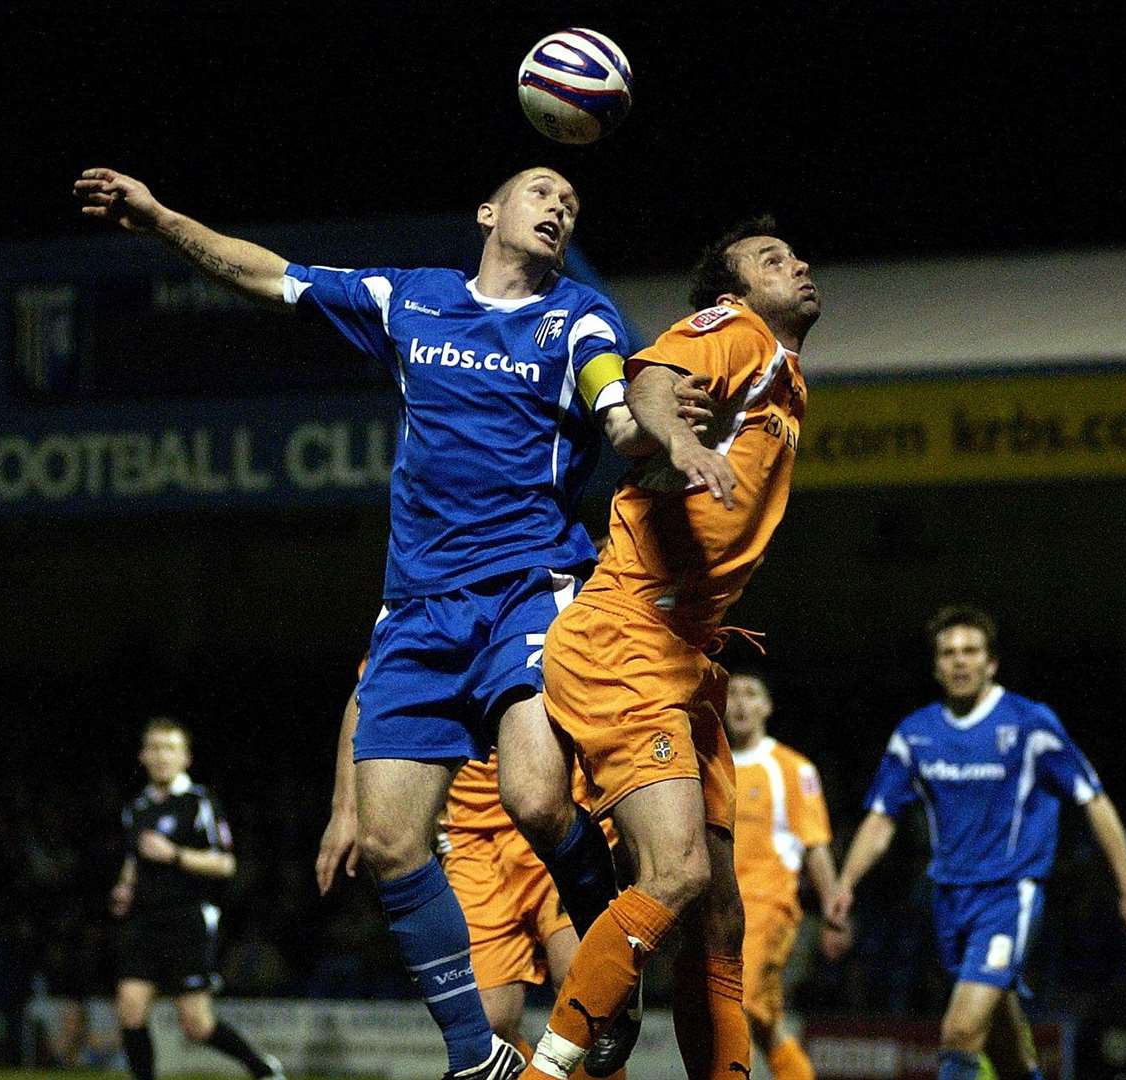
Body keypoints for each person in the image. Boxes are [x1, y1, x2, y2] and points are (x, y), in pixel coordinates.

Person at [77, 164, 706, 1080]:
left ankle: (610, 962)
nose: (560, 205)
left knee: (535, 797)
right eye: (542, 191)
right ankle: (473, 1058)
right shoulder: (410, 300)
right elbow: (268, 275)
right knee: (387, 844)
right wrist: (161, 217)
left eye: (572, 200)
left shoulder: (577, 317)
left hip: (528, 590)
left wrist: (654, 431)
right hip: (414, 610)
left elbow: (621, 390)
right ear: (488, 212)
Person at [517, 215, 822, 1080]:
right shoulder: (738, 331)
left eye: (794, 253)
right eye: (772, 258)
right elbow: (652, 383)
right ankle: (552, 1069)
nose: (795, 262)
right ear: (735, 291)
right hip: (628, 636)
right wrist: (677, 438)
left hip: (689, 656)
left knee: (721, 920)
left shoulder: (786, 377)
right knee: (678, 872)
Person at [826, 606, 1126, 1080]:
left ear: (991, 663)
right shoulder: (915, 734)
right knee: (1005, 1054)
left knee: (959, 1034)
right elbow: (882, 819)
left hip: (1009, 895)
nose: (960, 661)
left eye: (970, 651)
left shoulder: (1030, 723)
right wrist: (846, 884)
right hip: (948, 899)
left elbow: (1094, 800)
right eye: (949, 653)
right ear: (936, 666)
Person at [317, 670, 627, 1080]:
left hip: (556, 816)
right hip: (471, 840)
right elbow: (369, 691)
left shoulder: (545, 607)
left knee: (586, 994)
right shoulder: (431, 609)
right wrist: (345, 809)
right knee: (487, 1018)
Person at [110, 718, 282, 1080]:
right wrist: (125, 888)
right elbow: (133, 861)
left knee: (196, 1025)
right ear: (143, 755)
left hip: (187, 919)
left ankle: (262, 1068)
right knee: (129, 1007)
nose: (161, 756)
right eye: (154, 748)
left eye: (169, 748)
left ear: (185, 757)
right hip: (144, 920)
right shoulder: (136, 808)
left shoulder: (199, 803)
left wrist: (175, 855)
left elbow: (225, 863)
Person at [724, 671, 839, 1080]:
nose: (739, 703)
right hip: (715, 910)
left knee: (732, 1007)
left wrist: (834, 911)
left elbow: (815, 844)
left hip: (766, 906)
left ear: (766, 707)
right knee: (765, 1022)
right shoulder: (707, 766)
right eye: (732, 693)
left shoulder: (790, 768)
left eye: (751, 693)